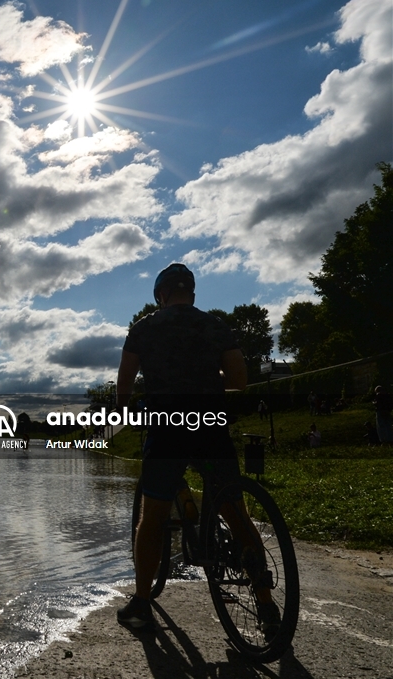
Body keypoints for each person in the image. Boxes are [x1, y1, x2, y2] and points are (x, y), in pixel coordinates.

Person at [115, 264, 278, 634]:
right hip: (210, 426)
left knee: (152, 516)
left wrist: (126, 412)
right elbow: (238, 381)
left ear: (160, 295)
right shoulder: (216, 325)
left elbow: (124, 387)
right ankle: (266, 607)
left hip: (165, 427)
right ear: (192, 293)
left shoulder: (144, 328)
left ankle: (142, 603)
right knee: (235, 512)